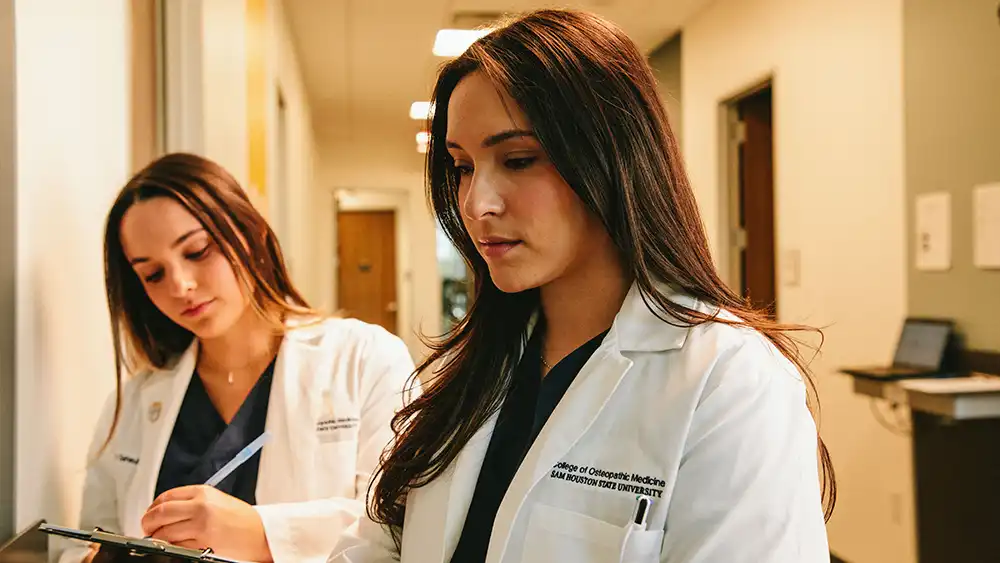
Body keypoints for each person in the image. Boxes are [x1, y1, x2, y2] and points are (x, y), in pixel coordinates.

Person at [330, 8, 835, 563]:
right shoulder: (475, 367)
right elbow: (379, 544)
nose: (476, 204)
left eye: (518, 160)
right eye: (463, 167)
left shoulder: (729, 381)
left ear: (612, 157)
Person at [57, 153, 416, 563]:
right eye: (153, 274)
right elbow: (86, 541)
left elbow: (396, 525)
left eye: (197, 251)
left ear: (249, 233)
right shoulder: (136, 400)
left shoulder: (364, 358)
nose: (180, 285)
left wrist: (262, 532)